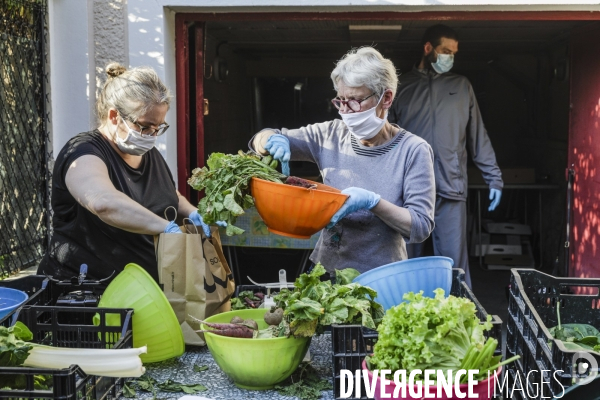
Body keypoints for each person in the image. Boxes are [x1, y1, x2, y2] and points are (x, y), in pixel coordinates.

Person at [250, 47, 436, 274]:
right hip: (326, 271)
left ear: (386, 98)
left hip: (381, 276)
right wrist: (268, 140)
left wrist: (373, 202)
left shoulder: (413, 150)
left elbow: (420, 226)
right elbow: (263, 137)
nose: (346, 111)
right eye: (341, 101)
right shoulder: (329, 135)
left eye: (356, 101)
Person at [38, 63, 222, 283]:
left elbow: (165, 193)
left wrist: (192, 213)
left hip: (142, 294)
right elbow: (102, 202)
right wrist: (166, 227)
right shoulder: (82, 153)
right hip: (85, 293)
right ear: (114, 116)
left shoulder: (148, 154)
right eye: (145, 126)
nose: (152, 135)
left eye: (159, 127)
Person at [388, 24, 504, 287]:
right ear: (428, 48)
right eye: (445, 51)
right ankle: (403, 321)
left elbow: (477, 135)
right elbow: (385, 138)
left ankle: (464, 321)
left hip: (451, 188)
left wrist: (494, 178)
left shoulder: (461, 86)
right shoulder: (401, 86)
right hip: (410, 192)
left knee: (454, 266)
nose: (450, 57)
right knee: (406, 262)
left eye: (454, 52)